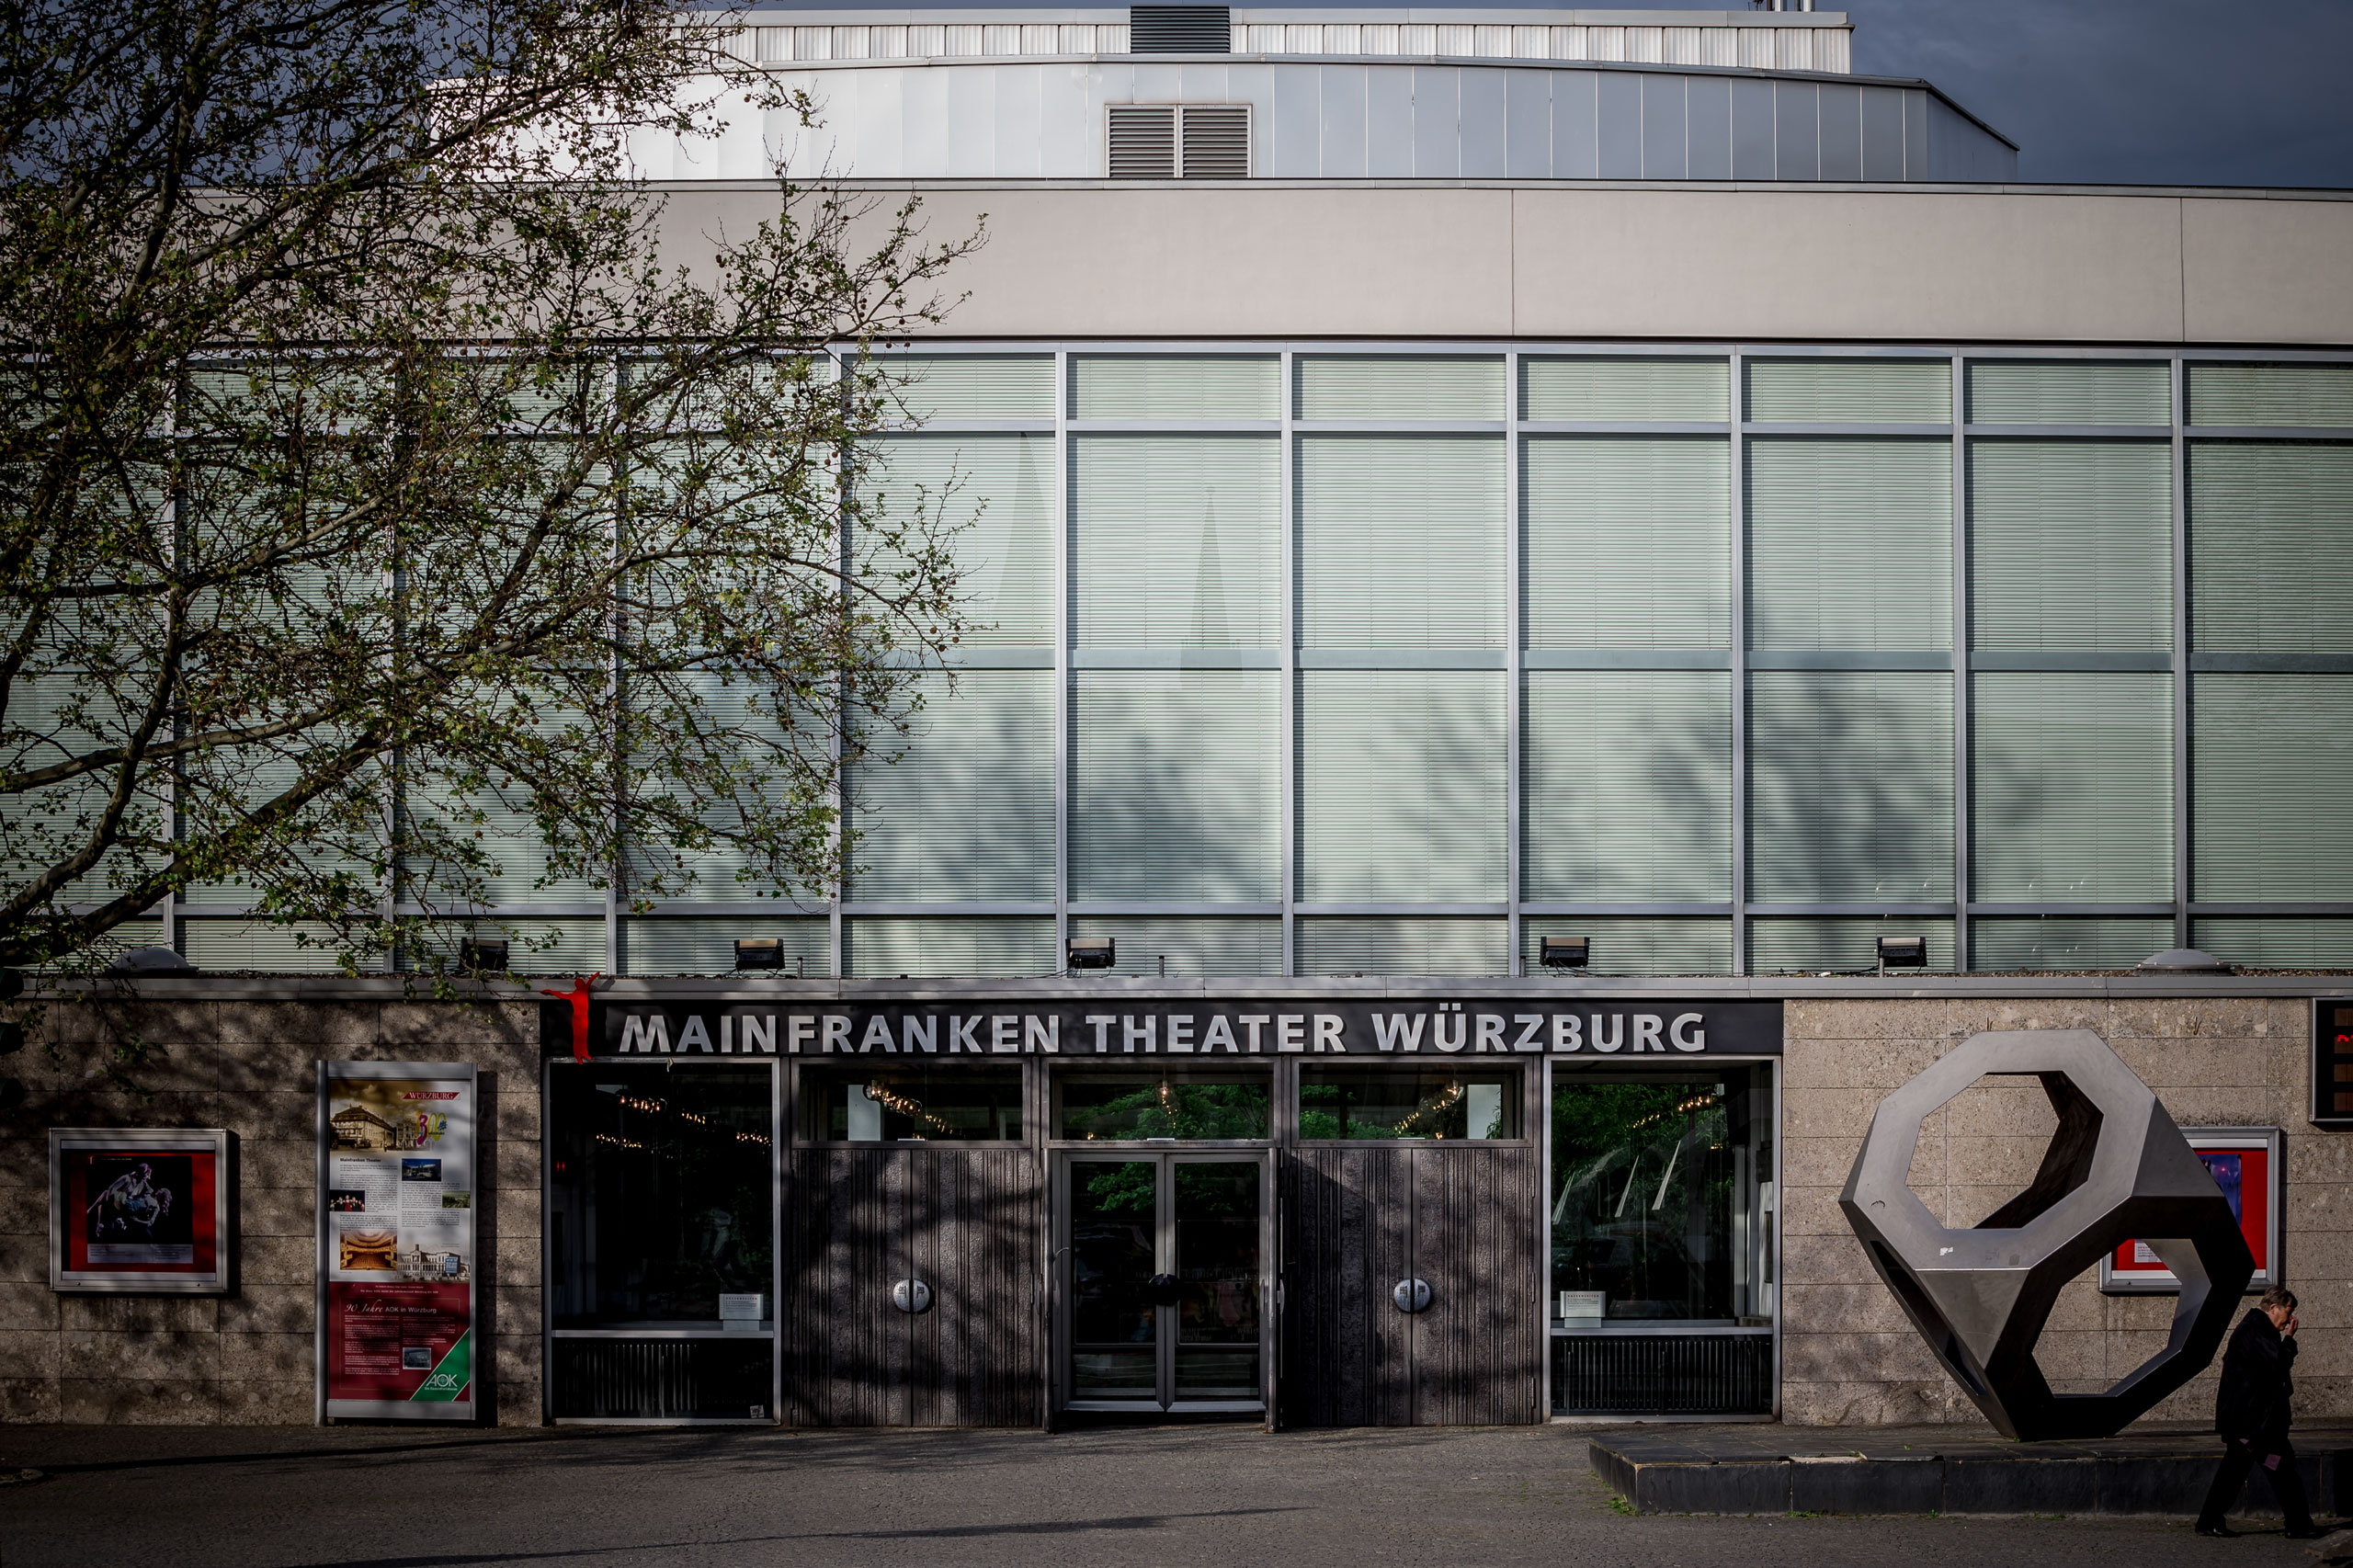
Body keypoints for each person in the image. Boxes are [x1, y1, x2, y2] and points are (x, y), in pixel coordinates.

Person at [2195, 1286, 2327, 1539]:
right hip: (2254, 1425)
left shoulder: (2257, 1330)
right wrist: (2289, 1341)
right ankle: (2297, 1524)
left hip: (2254, 1424)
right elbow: (2277, 1365)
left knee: (2252, 1473)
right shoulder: (2255, 1330)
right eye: (2288, 1311)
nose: (2290, 1319)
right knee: (2272, 1474)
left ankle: (2210, 1521)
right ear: (2273, 1307)